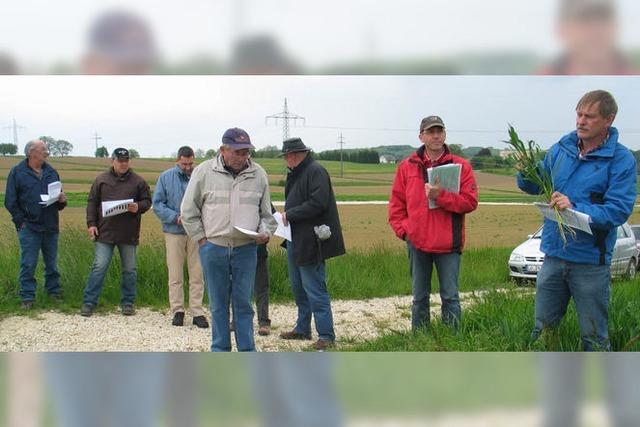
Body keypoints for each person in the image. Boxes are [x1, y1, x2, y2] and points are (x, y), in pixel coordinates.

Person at [517, 90, 636, 351]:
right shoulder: (563, 147)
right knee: (543, 331)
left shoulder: (621, 160)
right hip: (553, 255)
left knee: (594, 337)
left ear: (609, 119)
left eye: (589, 116)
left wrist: (575, 207)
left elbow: (617, 211)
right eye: (579, 114)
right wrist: (524, 171)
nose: (581, 121)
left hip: (591, 262)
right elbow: (536, 181)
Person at [181, 128, 276, 352]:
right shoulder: (204, 172)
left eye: (246, 152)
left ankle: (246, 351)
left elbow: (267, 215)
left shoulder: (259, 174)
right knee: (218, 305)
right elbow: (188, 211)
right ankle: (220, 351)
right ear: (223, 150)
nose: (243, 157)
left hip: (246, 249)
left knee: (243, 304)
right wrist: (201, 240)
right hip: (213, 248)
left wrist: (265, 233)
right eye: (237, 152)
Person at [388, 116, 478, 331]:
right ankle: (420, 342)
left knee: (450, 297)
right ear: (421, 137)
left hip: (448, 243)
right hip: (417, 243)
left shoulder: (461, 166)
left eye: (440, 131)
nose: (436, 136)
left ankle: (453, 343)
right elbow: (396, 205)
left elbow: (470, 202)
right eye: (431, 132)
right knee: (419, 298)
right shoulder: (406, 166)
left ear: (445, 134)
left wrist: (441, 196)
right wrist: (405, 232)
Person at [278, 137, 345, 351]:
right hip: (295, 240)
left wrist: (290, 214)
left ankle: (326, 335)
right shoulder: (297, 173)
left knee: (315, 289)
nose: (286, 160)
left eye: (287, 155)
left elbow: (319, 202)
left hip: (312, 242)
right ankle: (302, 328)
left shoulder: (315, 171)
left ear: (297, 154)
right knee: (299, 288)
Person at [81, 148, 152, 317]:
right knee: (99, 266)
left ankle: (128, 302)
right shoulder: (101, 180)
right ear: (112, 161)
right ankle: (89, 302)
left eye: (126, 160)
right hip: (104, 233)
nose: (124, 164)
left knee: (130, 269)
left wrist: (138, 207)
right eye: (120, 161)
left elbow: (148, 201)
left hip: (128, 233)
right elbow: (92, 203)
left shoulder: (138, 182)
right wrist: (91, 224)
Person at [4, 140, 68, 309]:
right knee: (28, 263)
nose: (47, 152)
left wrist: (62, 200)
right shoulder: (17, 172)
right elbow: (10, 201)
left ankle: (53, 293)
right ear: (32, 152)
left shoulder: (52, 172)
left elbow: (59, 202)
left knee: (52, 263)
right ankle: (27, 297)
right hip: (29, 227)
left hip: (50, 225)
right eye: (43, 149)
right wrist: (21, 222)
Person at [152, 146, 208, 329]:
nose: (187, 167)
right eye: (184, 164)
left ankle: (197, 312)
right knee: (175, 273)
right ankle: (177, 311)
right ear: (178, 160)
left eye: (190, 163)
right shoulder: (165, 177)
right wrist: (174, 217)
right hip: (173, 231)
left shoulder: (200, 176)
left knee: (197, 273)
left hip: (197, 232)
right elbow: (157, 204)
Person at [540, 0, 636, 75]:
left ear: (617, 26)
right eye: (584, 19)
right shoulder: (537, 85)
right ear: (561, 29)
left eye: (604, 18)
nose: (596, 29)